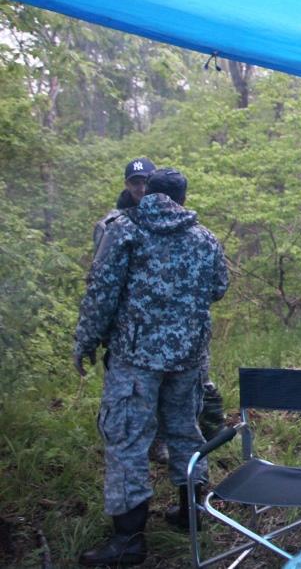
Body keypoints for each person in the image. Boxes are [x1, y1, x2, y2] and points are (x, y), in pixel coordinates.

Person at [74, 168, 229, 567]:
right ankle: (191, 513)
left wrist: (86, 341)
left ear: (150, 193)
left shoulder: (124, 231)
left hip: (135, 359)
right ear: (182, 198)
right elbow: (218, 287)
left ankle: (128, 541)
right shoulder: (205, 238)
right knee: (184, 430)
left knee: (128, 439)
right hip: (188, 358)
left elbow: (101, 292)